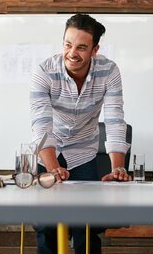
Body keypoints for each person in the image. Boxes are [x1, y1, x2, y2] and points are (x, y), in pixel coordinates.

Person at [29, 13, 131, 254]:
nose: (72, 53)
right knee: (47, 226)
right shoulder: (43, 71)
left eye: (82, 47)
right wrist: (53, 167)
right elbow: (41, 124)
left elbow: (115, 120)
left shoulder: (109, 71)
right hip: (49, 152)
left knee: (85, 225)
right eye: (67, 44)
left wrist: (118, 168)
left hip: (84, 154)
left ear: (95, 49)